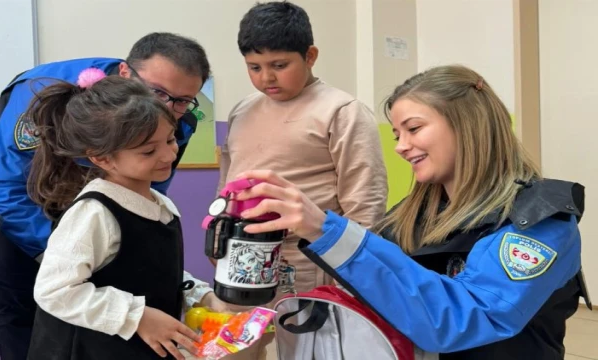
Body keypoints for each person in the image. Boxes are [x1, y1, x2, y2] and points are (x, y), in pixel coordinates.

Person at [232, 65, 590, 359]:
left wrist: (325, 228)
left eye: (414, 129)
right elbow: (379, 295)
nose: (402, 147)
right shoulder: (409, 216)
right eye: (397, 135)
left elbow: (462, 319)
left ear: (468, 123)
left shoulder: (540, 220)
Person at [0, 32, 211, 360]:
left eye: (182, 101)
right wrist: (74, 254)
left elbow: (145, 215)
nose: (167, 108)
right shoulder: (45, 93)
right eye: (157, 92)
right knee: (22, 313)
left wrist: (190, 291)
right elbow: (2, 189)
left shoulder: (171, 122)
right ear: (126, 73)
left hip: (90, 216)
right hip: (19, 207)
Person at [218, 2, 388, 357]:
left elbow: (365, 203)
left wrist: (354, 275)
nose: (267, 77)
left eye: (280, 65)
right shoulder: (242, 110)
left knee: (306, 351)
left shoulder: (342, 111)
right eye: (254, 67)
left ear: (310, 56)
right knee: (237, 349)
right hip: (243, 261)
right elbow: (228, 186)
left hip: (311, 267)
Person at [24, 73, 227, 360]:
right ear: (102, 158)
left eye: (170, 139)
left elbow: (152, 271)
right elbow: (54, 291)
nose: (169, 155)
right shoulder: (93, 213)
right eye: (148, 151)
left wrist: (199, 295)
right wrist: (139, 317)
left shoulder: (161, 203)